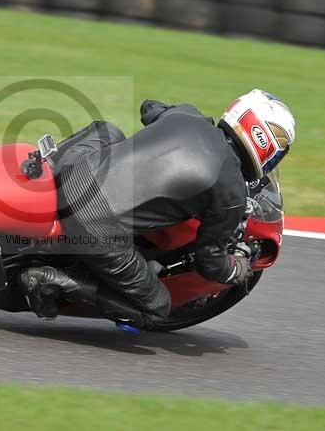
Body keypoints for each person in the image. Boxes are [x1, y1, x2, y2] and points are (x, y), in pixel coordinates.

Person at [19, 89, 296, 329]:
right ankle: (51, 279)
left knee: (108, 130)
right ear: (271, 149)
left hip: (72, 172)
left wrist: (172, 119)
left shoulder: (189, 117)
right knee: (157, 307)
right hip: (93, 224)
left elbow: (148, 107)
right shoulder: (232, 194)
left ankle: (39, 176)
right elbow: (209, 261)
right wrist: (236, 269)